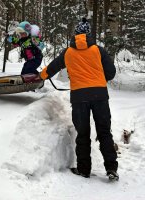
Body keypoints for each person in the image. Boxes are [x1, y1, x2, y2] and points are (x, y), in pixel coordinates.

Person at [40, 18, 119, 180]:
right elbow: (111, 73)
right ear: (89, 34)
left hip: (79, 97)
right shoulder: (98, 50)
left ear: (75, 35)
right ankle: (111, 168)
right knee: (104, 132)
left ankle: (84, 170)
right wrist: (96, 77)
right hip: (100, 96)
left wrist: (40, 76)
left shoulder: (68, 52)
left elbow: (52, 68)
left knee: (83, 133)